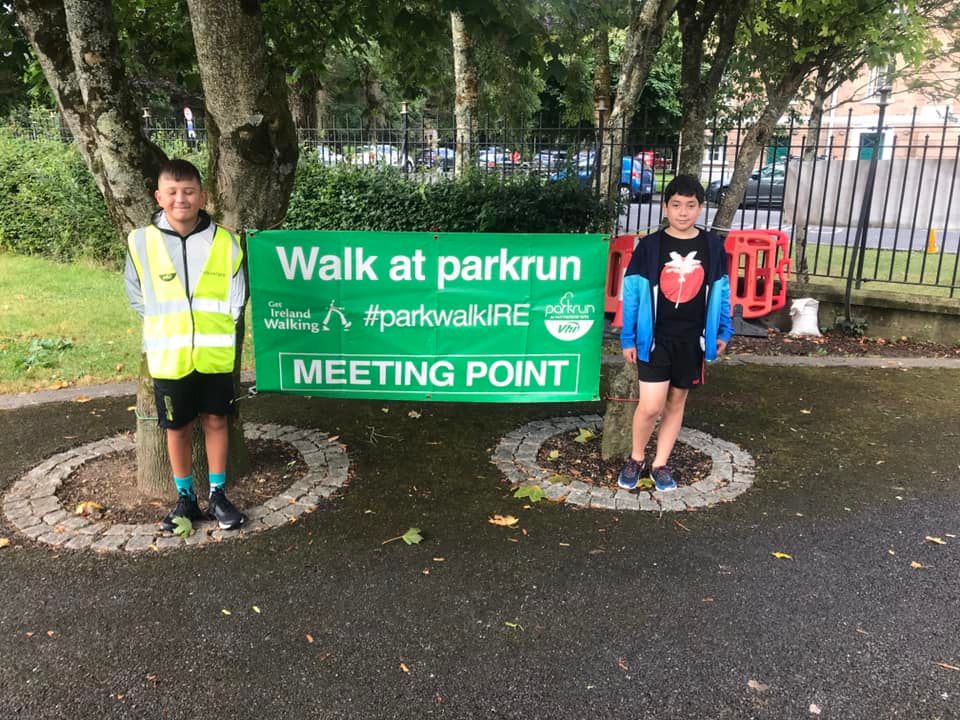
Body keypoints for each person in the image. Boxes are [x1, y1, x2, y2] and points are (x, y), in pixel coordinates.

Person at [125, 158, 248, 531]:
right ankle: (185, 499)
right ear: (159, 196)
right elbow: (136, 295)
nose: (182, 199)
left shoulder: (226, 241)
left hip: (214, 355)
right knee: (176, 428)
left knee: (216, 420)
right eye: (173, 192)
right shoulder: (141, 242)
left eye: (189, 191)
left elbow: (237, 295)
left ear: (203, 196)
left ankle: (218, 494)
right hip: (169, 356)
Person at [618, 174, 733, 492]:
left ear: (700, 208)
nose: (684, 212)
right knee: (651, 404)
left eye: (691, 206)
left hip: (693, 339)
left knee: (676, 401)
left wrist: (724, 329)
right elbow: (632, 294)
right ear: (666, 208)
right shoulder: (650, 247)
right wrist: (628, 336)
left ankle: (660, 464)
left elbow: (722, 291)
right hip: (654, 339)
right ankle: (636, 457)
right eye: (677, 205)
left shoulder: (711, 246)